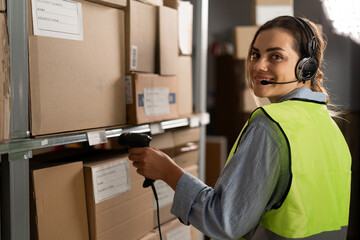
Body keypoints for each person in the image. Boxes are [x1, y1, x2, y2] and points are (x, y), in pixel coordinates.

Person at [128, 16, 352, 240]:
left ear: (306, 67)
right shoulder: (329, 126)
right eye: (255, 54)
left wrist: (168, 171)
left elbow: (223, 221)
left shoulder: (270, 125)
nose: (258, 65)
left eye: (275, 56)